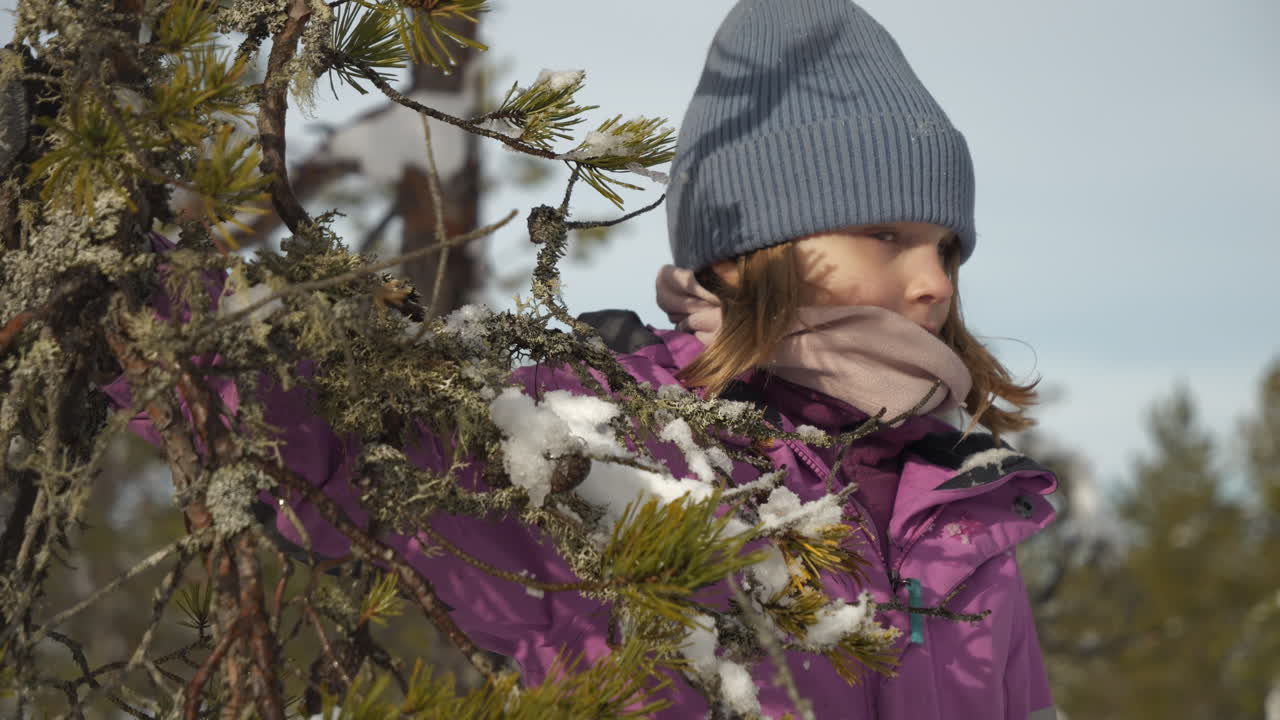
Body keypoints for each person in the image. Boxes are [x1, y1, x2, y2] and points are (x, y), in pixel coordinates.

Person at [110, 1, 1060, 717]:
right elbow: (320, 427)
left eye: (948, 246)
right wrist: (114, 264)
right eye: (885, 233)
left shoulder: (966, 505)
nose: (932, 281)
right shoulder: (599, 429)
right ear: (749, 247)